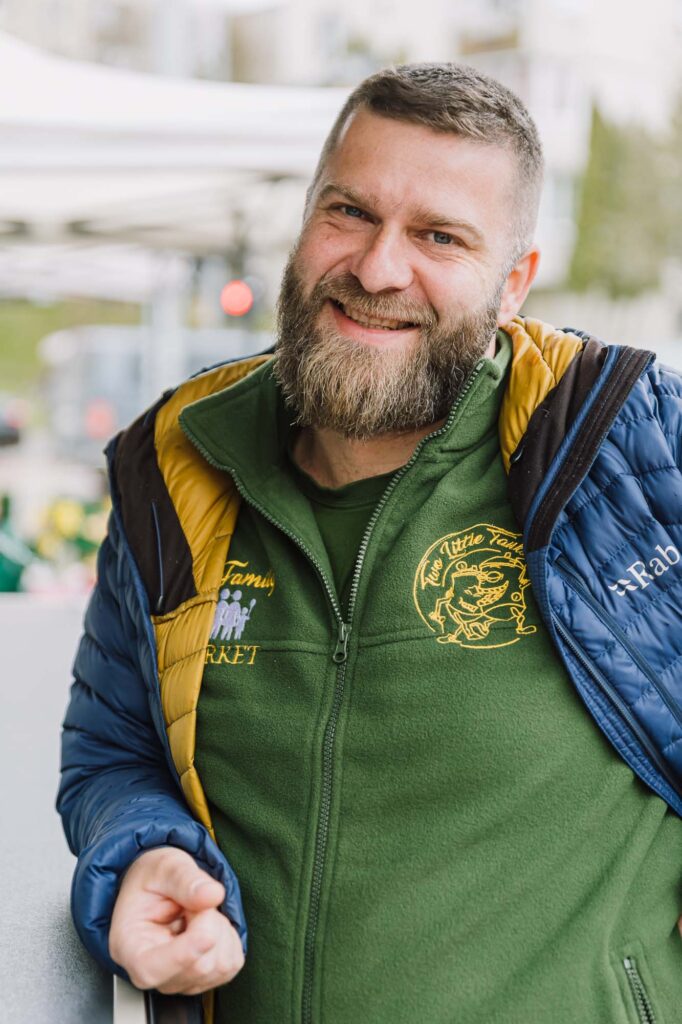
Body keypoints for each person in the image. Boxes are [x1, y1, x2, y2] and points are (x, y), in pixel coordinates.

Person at [58, 63, 682, 1024]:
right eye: (349, 212)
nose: (379, 268)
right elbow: (113, 751)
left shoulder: (630, 447)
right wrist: (143, 851)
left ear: (514, 284)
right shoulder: (174, 465)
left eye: (440, 236)